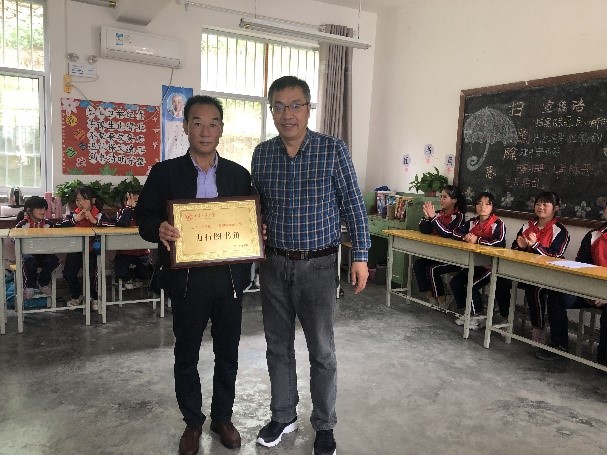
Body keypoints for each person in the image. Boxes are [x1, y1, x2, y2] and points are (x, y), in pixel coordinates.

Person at [251, 75, 370, 455]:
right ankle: (283, 415)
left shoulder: (332, 150)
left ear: (308, 109)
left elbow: (354, 205)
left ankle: (325, 424)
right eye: (279, 106)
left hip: (318, 267)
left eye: (295, 105)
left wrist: (361, 256)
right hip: (274, 265)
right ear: (271, 111)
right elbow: (256, 208)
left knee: (321, 350)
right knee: (277, 346)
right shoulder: (262, 154)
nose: (287, 114)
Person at [135, 95, 252, 455]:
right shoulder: (165, 173)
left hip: (229, 279)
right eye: (197, 123)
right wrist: (159, 228)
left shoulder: (238, 175)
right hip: (187, 281)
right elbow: (143, 219)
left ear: (221, 129)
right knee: (186, 353)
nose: (205, 131)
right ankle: (192, 422)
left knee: (228, 352)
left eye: (213, 123)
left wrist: (256, 231)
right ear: (185, 127)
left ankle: (222, 417)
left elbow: (251, 220)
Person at [495, 191, 569, 344]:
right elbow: (514, 249)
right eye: (538, 204)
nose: (541, 207)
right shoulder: (527, 226)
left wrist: (535, 246)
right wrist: (521, 247)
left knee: (534, 289)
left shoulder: (561, 231)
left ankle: (537, 328)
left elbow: (555, 254)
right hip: (524, 271)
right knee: (501, 279)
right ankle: (505, 318)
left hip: (547, 275)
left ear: (556, 208)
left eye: (545, 204)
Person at [538, 204, 607, 363]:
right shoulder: (594, 236)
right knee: (556, 295)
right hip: (591, 291)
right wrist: (587, 292)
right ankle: (559, 345)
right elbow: (581, 267)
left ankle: (604, 358)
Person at [449, 192, 506, 329]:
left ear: (493, 207)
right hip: (474, 264)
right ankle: (468, 312)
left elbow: (499, 243)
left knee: (472, 285)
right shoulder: (472, 222)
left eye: (487, 204)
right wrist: (465, 237)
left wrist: (478, 240)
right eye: (479, 203)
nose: (482, 207)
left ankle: (478, 316)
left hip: (489, 266)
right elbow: (455, 233)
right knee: (455, 282)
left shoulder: (498, 224)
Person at [56, 185, 113, 311]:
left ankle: (95, 297)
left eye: (84, 199)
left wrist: (94, 221)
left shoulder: (99, 215)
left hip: (94, 251)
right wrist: (75, 220)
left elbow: (112, 225)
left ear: (92, 200)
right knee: (68, 273)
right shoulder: (73, 215)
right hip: (76, 250)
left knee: (93, 273)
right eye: (78, 200)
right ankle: (77, 295)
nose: (81, 203)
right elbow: (59, 226)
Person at [412, 184, 466, 308]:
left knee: (432, 269)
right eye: (440, 197)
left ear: (454, 200)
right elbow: (424, 229)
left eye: (445, 197)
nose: (441, 200)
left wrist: (433, 218)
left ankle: (442, 298)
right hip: (437, 254)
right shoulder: (437, 214)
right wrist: (427, 218)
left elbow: (447, 233)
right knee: (418, 264)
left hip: (452, 257)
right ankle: (430, 295)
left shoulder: (458, 216)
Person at [15, 196, 60, 300]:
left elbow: (53, 240)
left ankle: (43, 282)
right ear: (29, 210)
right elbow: (15, 240)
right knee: (29, 261)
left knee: (53, 260)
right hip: (28, 254)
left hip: (44, 253)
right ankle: (29, 286)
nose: (43, 212)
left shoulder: (48, 224)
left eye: (44, 209)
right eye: (40, 209)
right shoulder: (22, 225)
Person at [114, 190, 152, 289]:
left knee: (147, 273)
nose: (134, 204)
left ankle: (136, 276)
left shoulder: (146, 213)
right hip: (124, 253)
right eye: (131, 201)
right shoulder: (121, 212)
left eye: (137, 201)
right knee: (121, 271)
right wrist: (129, 209)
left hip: (142, 253)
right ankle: (128, 278)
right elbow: (123, 223)